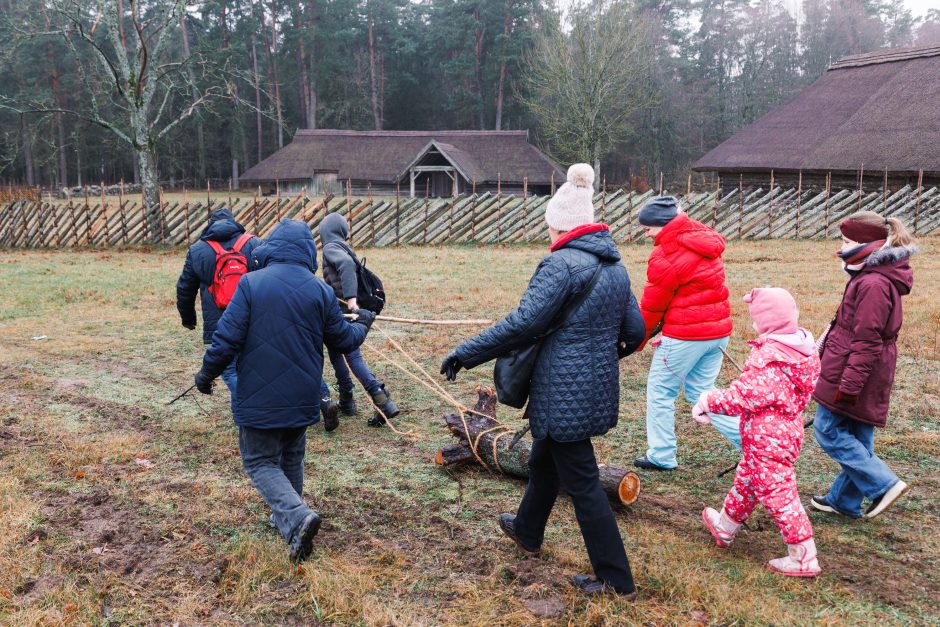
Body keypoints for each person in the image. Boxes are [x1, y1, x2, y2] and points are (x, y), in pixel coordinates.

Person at [440, 164, 646, 599]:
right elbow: (635, 332)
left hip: (560, 391)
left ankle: (616, 581)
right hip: (594, 389)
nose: (548, 234)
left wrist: (466, 352)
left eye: (550, 227)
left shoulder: (559, 265)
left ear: (560, 225)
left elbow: (523, 323)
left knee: (584, 482)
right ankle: (528, 530)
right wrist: (599, 359)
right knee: (543, 459)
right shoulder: (616, 268)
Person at [194, 220, 375, 562]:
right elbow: (344, 340)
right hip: (304, 395)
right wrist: (364, 322)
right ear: (307, 251)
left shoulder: (249, 284)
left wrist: (205, 375)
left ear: (272, 248)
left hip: (259, 399)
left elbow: (225, 340)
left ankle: (296, 517)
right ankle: (287, 517)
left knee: (260, 461)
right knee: (291, 456)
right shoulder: (319, 290)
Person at [695, 288, 822, 577]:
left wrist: (708, 401)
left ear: (765, 323)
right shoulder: (800, 350)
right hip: (779, 433)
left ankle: (803, 554)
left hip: (769, 438)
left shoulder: (772, 359)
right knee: (748, 480)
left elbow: (744, 395)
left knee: (779, 493)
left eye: (755, 320)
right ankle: (725, 527)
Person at [810, 211, 916, 520]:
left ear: (866, 245)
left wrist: (849, 385)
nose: (840, 248)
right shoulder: (871, 277)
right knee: (857, 435)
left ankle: (883, 484)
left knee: (827, 430)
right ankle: (844, 500)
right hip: (863, 368)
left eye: (845, 241)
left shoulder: (873, 284)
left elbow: (867, 341)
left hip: (855, 370)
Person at [633, 196, 741, 471]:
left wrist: (638, 338)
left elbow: (653, 305)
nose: (645, 233)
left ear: (662, 224)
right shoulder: (703, 238)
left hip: (686, 336)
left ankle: (661, 454)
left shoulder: (666, 254)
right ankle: (754, 444)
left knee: (660, 391)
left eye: (648, 228)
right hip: (717, 332)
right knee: (703, 393)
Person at [176, 208, 263, 410]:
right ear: (234, 223)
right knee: (249, 362)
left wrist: (188, 318)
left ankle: (247, 407)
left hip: (219, 319)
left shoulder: (198, 250)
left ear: (210, 225)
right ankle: (245, 408)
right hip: (252, 315)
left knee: (228, 367)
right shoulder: (253, 244)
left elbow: (185, 288)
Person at [318, 212, 399, 427]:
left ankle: (366, 398)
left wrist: (351, 301)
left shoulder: (331, 248)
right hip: (342, 311)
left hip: (342, 311)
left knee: (346, 356)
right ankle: (360, 399)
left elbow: (344, 266)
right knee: (345, 355)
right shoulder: (344, 247)